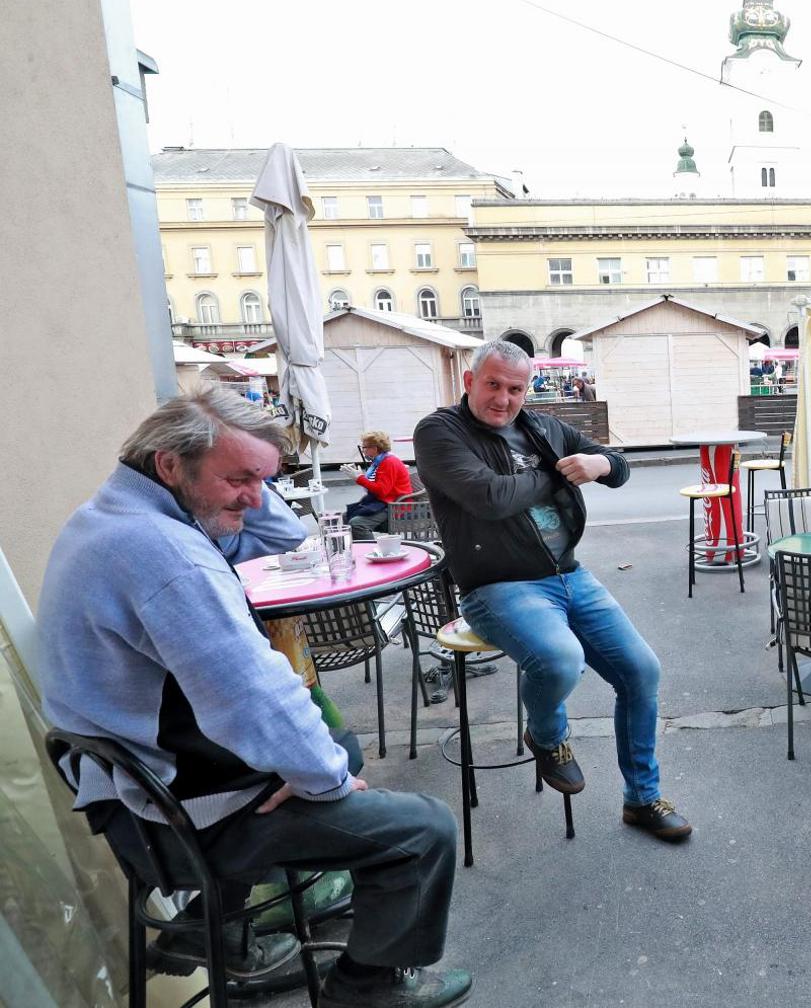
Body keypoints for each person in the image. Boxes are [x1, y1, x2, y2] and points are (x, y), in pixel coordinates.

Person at [37, 390, 470, 1007]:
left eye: (265, 479)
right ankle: (366, 988)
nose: (255, 495)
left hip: (130, 788)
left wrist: (249, 482)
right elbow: (251, 698)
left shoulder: (117, 517)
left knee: (332, 743)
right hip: (172, 820)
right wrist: (327, 783)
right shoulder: (169, 556)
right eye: (239, 478)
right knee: (421, 829)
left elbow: (281, 536)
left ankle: (212, 932)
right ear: (169, 465)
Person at [414, 340, 692, 841]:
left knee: (642, 671)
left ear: (527, 389)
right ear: (469, 381)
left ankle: (643, 799)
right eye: (493, 384)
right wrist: (559, 475)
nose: (503, 398)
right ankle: (547, 736)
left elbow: (614, 465)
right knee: (560, 659)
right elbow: (490, 498)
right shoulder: (440, 431)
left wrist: (600, 466)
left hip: (569, 574)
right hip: (497, 586)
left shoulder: (541, 426)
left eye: (515, 388)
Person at [343, 430, 414, 539]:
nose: (363, 450)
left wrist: (359, 478)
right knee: (346, 516)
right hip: (386, 501)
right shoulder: (381, 461)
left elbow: (382, 491)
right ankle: (355, 549)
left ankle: (370, 552)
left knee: (357, 524)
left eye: (365, 447)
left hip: (395, 505)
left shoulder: (388, 462)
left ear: (375, 448)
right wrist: (359, 476)